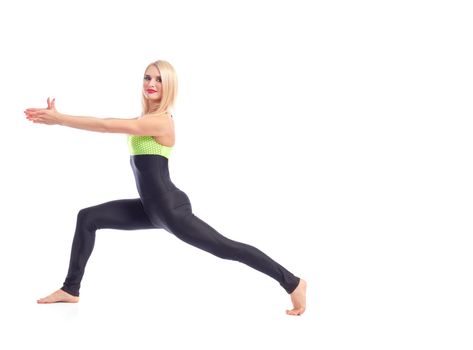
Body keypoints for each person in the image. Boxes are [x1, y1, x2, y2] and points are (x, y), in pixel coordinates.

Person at [24, 60, 307, 316]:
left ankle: (293, 282)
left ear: (169, 87)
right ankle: (70, 289)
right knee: (88, 217)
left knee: (225, 248)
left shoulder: (159, 120)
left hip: (170, 209)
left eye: (159, 80)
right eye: (147, 78)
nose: (151, 84)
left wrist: (61, 119)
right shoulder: (147, 118)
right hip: (150, 208)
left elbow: (107, 125)